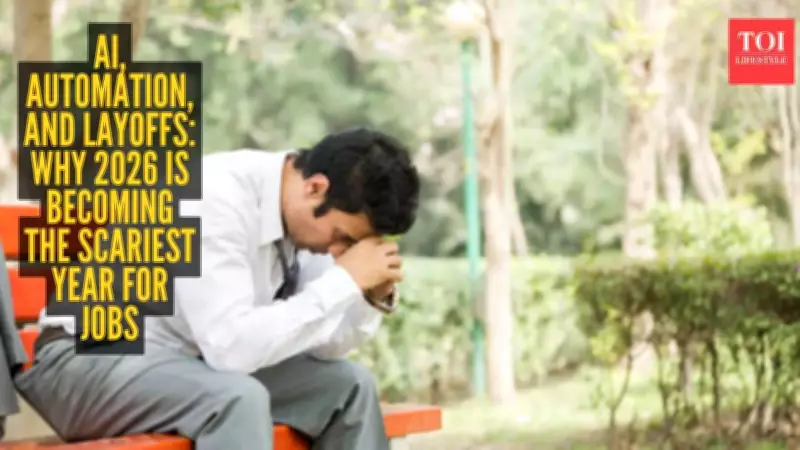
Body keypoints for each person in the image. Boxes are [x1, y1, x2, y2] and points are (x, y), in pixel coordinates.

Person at [15, 128, 421, 450]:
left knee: (349, 386)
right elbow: (232, 350)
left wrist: (365, 296)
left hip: (191, 363)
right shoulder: (213, 198)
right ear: (315, 187)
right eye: (341, 237)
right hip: (87, 361)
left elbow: (325, 349)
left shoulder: (307, 219)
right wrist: (343, 281)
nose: (338, 251)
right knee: (237, 399)